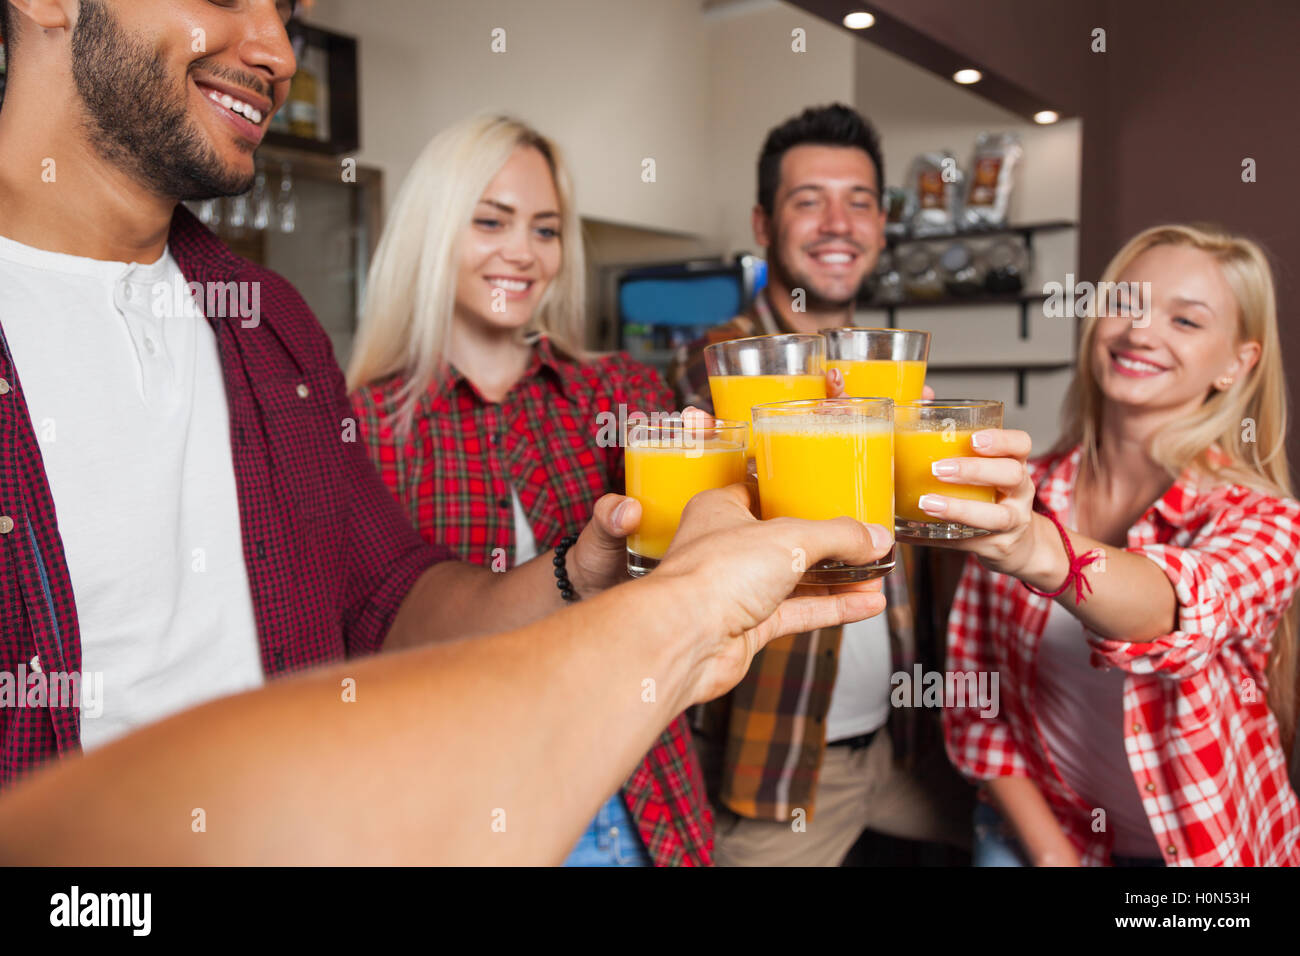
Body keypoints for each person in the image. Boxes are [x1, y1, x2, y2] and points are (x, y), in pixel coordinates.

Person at [0, 0, 638, 789]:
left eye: (286, 11)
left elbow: (390, 596)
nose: (278, 51)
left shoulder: (275, 328)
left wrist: (580, 573)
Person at [0, 486, 896, 865]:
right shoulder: (365, 398)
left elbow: (391, 601)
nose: (280, 74)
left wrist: (629, 596)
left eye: (546, 228)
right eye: (489, 220)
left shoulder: (269, 330)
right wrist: (684, 609)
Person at [345, 115, 708, 866]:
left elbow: (706, 530)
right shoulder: (361, 427)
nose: (523, 252)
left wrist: (794, 421)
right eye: (490, 221)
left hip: (632, 802)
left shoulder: (620, 395)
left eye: (545, 230)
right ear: (431, 229)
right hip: (453, 815)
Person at [935, 224, 1300, 866]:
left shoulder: (1267, 519)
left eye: (1185, 322)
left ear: (1237, 363)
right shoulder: (1029, 489)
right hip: (1040, 835)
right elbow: (974, 696)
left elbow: (1175, 609)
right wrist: (1050, 855)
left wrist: (1039, 550)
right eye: (1124, 304)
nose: (1139, 332)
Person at [668, 103, 972, 865]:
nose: (839, 221)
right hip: (778, 765)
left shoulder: (889, 372)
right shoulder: (711, 366)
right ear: (764, 226)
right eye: (810, 201)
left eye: (859, 201)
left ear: (880, 226)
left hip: (907, 752)